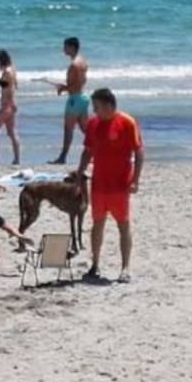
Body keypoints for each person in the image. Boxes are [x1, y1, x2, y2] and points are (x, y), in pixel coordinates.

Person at [77, 88, 143, 283]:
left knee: (123, 225)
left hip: (120, 185)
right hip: (98, 184)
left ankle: (125, 268)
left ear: (108, 105)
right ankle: (95, 264)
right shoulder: (93, 124)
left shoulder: (127, 123)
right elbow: (88, 150)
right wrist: (80, 172)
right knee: (97, 224)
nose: (94, 111)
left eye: (96, 107)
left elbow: (138, 153)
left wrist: (136, 179)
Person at [50, 37, 89, 164]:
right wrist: (65, 87)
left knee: (68, 129)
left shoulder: (73, 65)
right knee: (86, 130)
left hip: (74, 99)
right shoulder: (82, 61)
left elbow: (74, 85)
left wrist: (63, 88)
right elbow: (82, 81)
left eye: (65, 46)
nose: (63, 49)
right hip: (83, 97)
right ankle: (97, 151)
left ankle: (62, 157)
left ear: (72, 47)